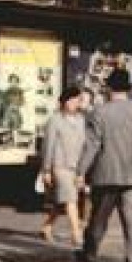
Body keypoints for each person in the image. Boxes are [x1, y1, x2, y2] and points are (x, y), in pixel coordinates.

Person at [75, 67, 132, 262]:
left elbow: (92, 146)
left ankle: (90, 255)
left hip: (106, 174)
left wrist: (81, 172)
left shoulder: (98, 113)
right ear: (129, 88)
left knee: (99, 218)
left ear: (109, 88)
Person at [39, 86, 89, 245]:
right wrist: (46, 169)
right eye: (72, 99)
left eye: (78, 100)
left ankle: (47, 227)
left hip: (77, 165)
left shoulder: (82, 120)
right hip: (60, 165)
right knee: (70, 198)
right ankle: (77, 233)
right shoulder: (55, 120)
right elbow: (48, 145)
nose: (75, 102)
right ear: (64, 101)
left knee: (62, 202)